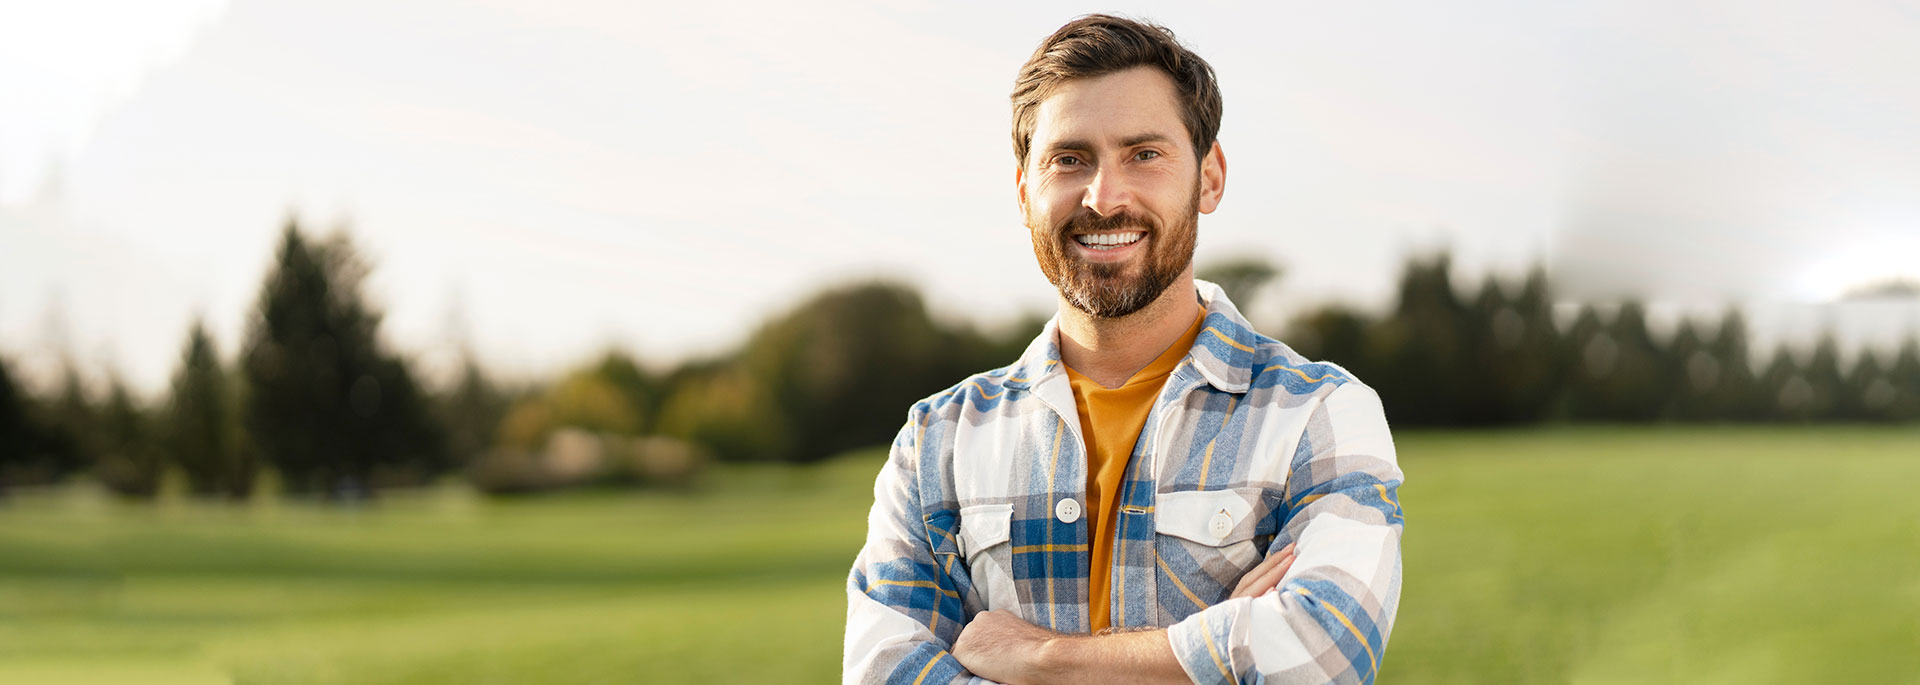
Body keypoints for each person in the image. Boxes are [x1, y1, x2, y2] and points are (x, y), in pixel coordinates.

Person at [844, 14, 1404, 685]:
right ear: (1025, 192)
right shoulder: (936, 443)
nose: (1104, 198)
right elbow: (884, 672)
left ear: (1210, 176)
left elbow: (1323, 653)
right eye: (1070, 159)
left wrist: (1040, 658)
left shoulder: (1320, 413)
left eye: (1144, 153)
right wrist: (1213, 655)